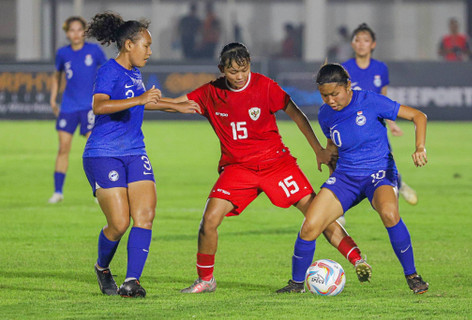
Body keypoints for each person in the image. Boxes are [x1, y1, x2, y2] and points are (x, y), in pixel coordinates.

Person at [160, 42, 372, 294]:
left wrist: (317, 150)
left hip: (277, 165)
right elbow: (174, 103)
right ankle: (206, 280)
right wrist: (139, 101)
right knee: (209, 220)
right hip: (238, 170)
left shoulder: (265, 86)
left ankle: (357, 258)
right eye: (233, 72)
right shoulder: (211, 92)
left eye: (244, 70)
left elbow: (297, 116)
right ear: (221, 70)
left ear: (250, 64)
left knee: (317, 215)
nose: (239, 77)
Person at [278, 63, 429, 295]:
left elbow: (418, 116)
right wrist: (329, 169)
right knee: (310, 226)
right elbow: (333, 146)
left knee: (389, 213)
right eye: (324, 95)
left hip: (378, 174)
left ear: (348, 86)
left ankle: (412, 275)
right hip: (346, 177)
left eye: (334, 94)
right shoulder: (325, 114)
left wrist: (420, 147)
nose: (330, 100)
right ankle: (296, 284)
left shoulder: (371, 101)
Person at [84, 12, 200, 298]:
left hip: (135, 151)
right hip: (103, 154)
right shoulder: (109, 71)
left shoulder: (135, 72)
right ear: (128, 45)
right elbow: (100, 106)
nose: (150, 51)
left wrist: (176, 105)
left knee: (145, 216)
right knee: (120, 223)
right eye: (145, 45)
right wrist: (140, 98)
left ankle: (131, 281)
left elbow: (140, 104)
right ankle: (102, 267)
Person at [342, 23, 418, 206]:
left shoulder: (380, 68)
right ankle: (339, 213)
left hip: (375, 127)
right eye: (357, 40)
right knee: (342, 163)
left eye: (366, 40)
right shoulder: (344, 69)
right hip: (351, 126)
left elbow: (383, 98)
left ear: (373, 44)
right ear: (352, 44)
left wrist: (392, 124)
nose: (361, 44)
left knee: (385, 163)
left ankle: (398, 185)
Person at [48, 16, 107, 204]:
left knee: (93, 148)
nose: (75, 33)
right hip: (69, 107)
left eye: (79, 30)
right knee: (63, 148)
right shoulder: (62, 53)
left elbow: (106, 71)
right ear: (67, 33)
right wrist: (53, 98)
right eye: (71, 30)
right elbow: (56, 76)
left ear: (85, 32)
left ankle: (98, 189)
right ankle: (58, 192)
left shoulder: (94, 51)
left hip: (90, 107)